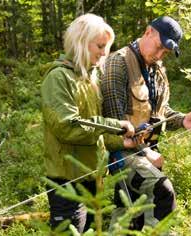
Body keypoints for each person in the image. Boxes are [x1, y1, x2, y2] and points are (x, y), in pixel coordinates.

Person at [101, 16, 191, 229]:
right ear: (148, 32)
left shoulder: (155, 69)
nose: (159, 55)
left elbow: (159, 110)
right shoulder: (118, 63)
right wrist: (144, 152)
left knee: (129, 217)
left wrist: (183, 120)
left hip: (147, 151)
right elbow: (115, 123)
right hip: (123, 154)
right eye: (158, 48)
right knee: (162, 190)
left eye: (164, 53)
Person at [41, 13, 139, 233]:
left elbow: (94, 133)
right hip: (66, 181)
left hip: (91, 175)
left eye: (108, 46)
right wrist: (114, 125)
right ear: (81, 42)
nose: (105, 52)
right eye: (100, 46)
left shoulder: (91, 77)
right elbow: (68, 127)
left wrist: (121, 142)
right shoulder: (58, 78)